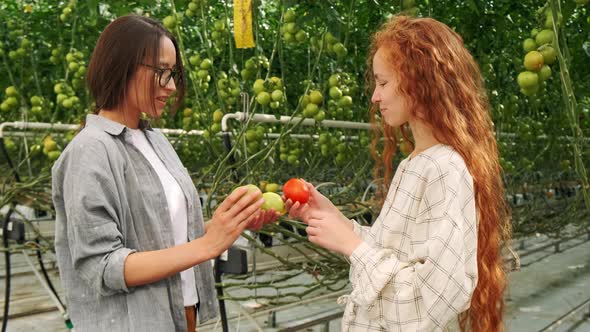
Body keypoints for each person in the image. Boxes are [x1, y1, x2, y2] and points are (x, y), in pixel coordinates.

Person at [51, 15, 278, 332]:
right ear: (123, 65)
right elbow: (102, 266)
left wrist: (231, 225)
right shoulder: (90, 150)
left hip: (181, 317)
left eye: (173, 74)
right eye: (161, 73)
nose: (171, 86)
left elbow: (169, 239)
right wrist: (208, 245)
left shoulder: (155, 141)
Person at [286, 16, 511, 331]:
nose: (375, 97)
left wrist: (353, 246)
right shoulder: (416, 163)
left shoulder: (443, 168)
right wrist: (337, 222)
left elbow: (428, 301)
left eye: (383, 82)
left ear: (419, 82)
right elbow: (395, 255)